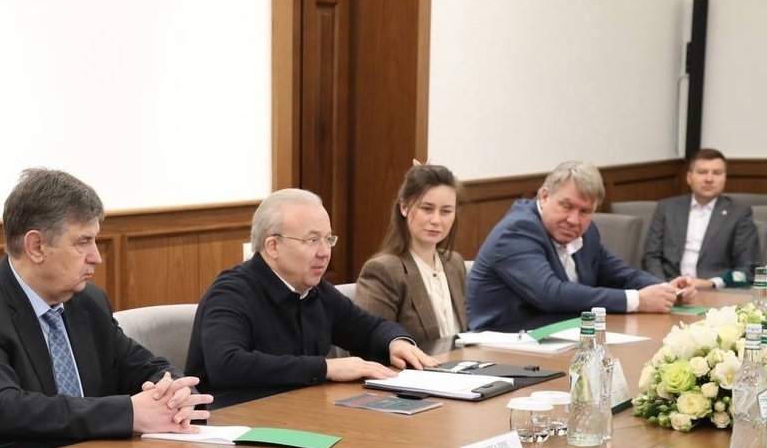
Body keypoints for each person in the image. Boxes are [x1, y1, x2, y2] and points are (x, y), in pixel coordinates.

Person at [0, 168, 212, 447]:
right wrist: (129, 413)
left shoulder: (88, 302)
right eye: (83, 242)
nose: (97, 257)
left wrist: (175, 393)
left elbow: (145, 366)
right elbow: (3, 408)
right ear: (36, 246)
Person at [185, 189, 437, 398]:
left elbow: (369, 328)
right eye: (312, 240)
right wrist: (325, 368)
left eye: (328, 239)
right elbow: (227, 365)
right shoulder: (231, 293)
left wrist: (396, 342)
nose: (325, 252)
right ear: (272, 246)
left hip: (302, 414)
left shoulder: (314, 290)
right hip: (236, 424)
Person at [468, 160, 697, 331]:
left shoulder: (586, 231)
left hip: (561, 337)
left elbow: (618, 273)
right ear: (544, 196)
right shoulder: (517, 231)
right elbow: (551, 293)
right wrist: (637, 301)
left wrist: (665, 289)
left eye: (585, 211)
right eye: (566, 206)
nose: (574, 220)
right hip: (503, 344)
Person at [355, 164, 468, 343]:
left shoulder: (455, 263)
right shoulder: (384, 270)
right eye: (427, 209)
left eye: (446, 211)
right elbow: (368, 343)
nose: (436, 220)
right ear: (404, 207)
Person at [642, 148, 760, 288]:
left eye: (717, 173)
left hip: (715, 291)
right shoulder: (667, 208)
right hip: (668, 287)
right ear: (689, 177)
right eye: (702, 172)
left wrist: (713, 283)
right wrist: (664, 286)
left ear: (725, 178)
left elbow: (748, 270)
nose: (709, 179)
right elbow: (650, 257)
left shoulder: (739, 213)